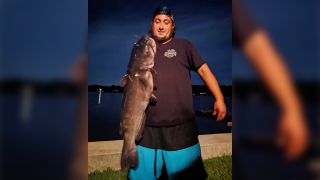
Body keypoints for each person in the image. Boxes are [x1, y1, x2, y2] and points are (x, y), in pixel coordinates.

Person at [127, 6, 226, 180]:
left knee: (186, 176)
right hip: (145, 127)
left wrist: (219, 97)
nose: (161, 26)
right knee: (141, 177)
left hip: (181, 127)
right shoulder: (143, 49)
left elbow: (204, 71)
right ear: (152, 24)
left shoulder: (184, 46)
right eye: (157, 21)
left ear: (173, 26)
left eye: (166, 22)